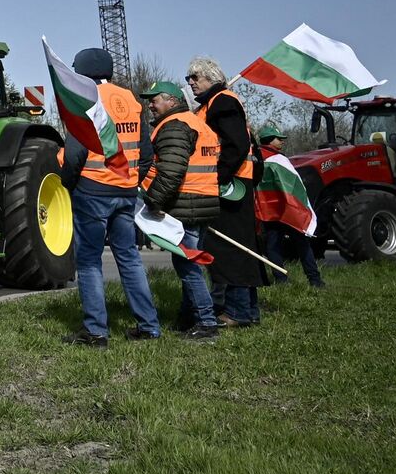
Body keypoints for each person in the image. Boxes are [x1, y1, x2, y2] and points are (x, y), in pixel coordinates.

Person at [62, 49, 162, 346]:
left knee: (90, 262)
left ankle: (96, 331)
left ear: (83, 72)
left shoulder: (84, 100)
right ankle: (149, 326)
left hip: (92, 191)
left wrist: (68, 184)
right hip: (125, 191)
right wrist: (131, 181)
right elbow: (146, 154)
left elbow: (75, 153)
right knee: (129, 257)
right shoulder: (130, 101)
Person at [186, 57, 267, 326]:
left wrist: (217, 178)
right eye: (189, 78)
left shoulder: (222, 101)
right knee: (236, 246)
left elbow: (237, 144)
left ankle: (237, 311)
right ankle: (244, 309)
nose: (190, 82)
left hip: (232, 186)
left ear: (212, 77)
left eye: (195, 77)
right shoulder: (214, 103)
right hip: (233, 183)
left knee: (231, 248)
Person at [138, 83, 223, 338]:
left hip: (187, 204)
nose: (150, 105)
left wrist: (153, 202)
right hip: (203, 201)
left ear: (172, 101)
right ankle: (188, 319)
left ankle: (207, 322)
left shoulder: (174, 126)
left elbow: (172, 172)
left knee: (187, 266)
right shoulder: (196, 123)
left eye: (155, 100)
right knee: (189, 261)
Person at [255, 127, 324, 287]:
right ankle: (315, 280)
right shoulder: (279, 159)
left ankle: (281, 280)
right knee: (302, 243)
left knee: (272, 247)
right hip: (288, 210)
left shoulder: (256, 158)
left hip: (269, 212)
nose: (282, 141)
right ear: (270, 140)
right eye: (279, 138)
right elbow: (294, 185)